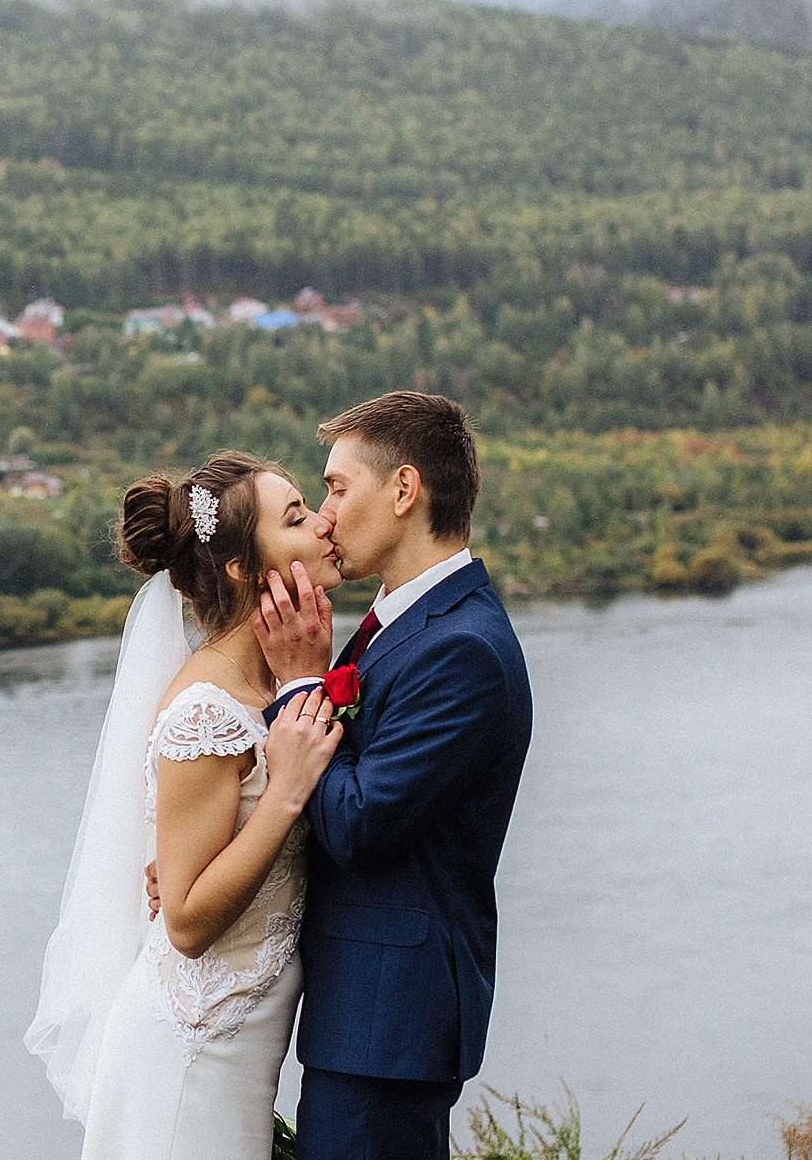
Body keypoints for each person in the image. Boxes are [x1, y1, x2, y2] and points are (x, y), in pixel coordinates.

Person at [26, 450, 347, 1160]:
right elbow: (188, 921)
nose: (324, 522)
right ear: (241, 566)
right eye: (296, 517)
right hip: (188, 1060)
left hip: (235, 1056)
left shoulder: (278, 690)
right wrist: (286, 792)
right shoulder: (206, 707)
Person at [252, 390, 533, 1160]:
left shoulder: (464, 650)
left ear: (405, 490)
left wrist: (300, 685)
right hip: (363, 1016)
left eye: (338, 488)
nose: (327, 514)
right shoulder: (397, 625)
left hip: (389, 1025)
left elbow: (358, 822)